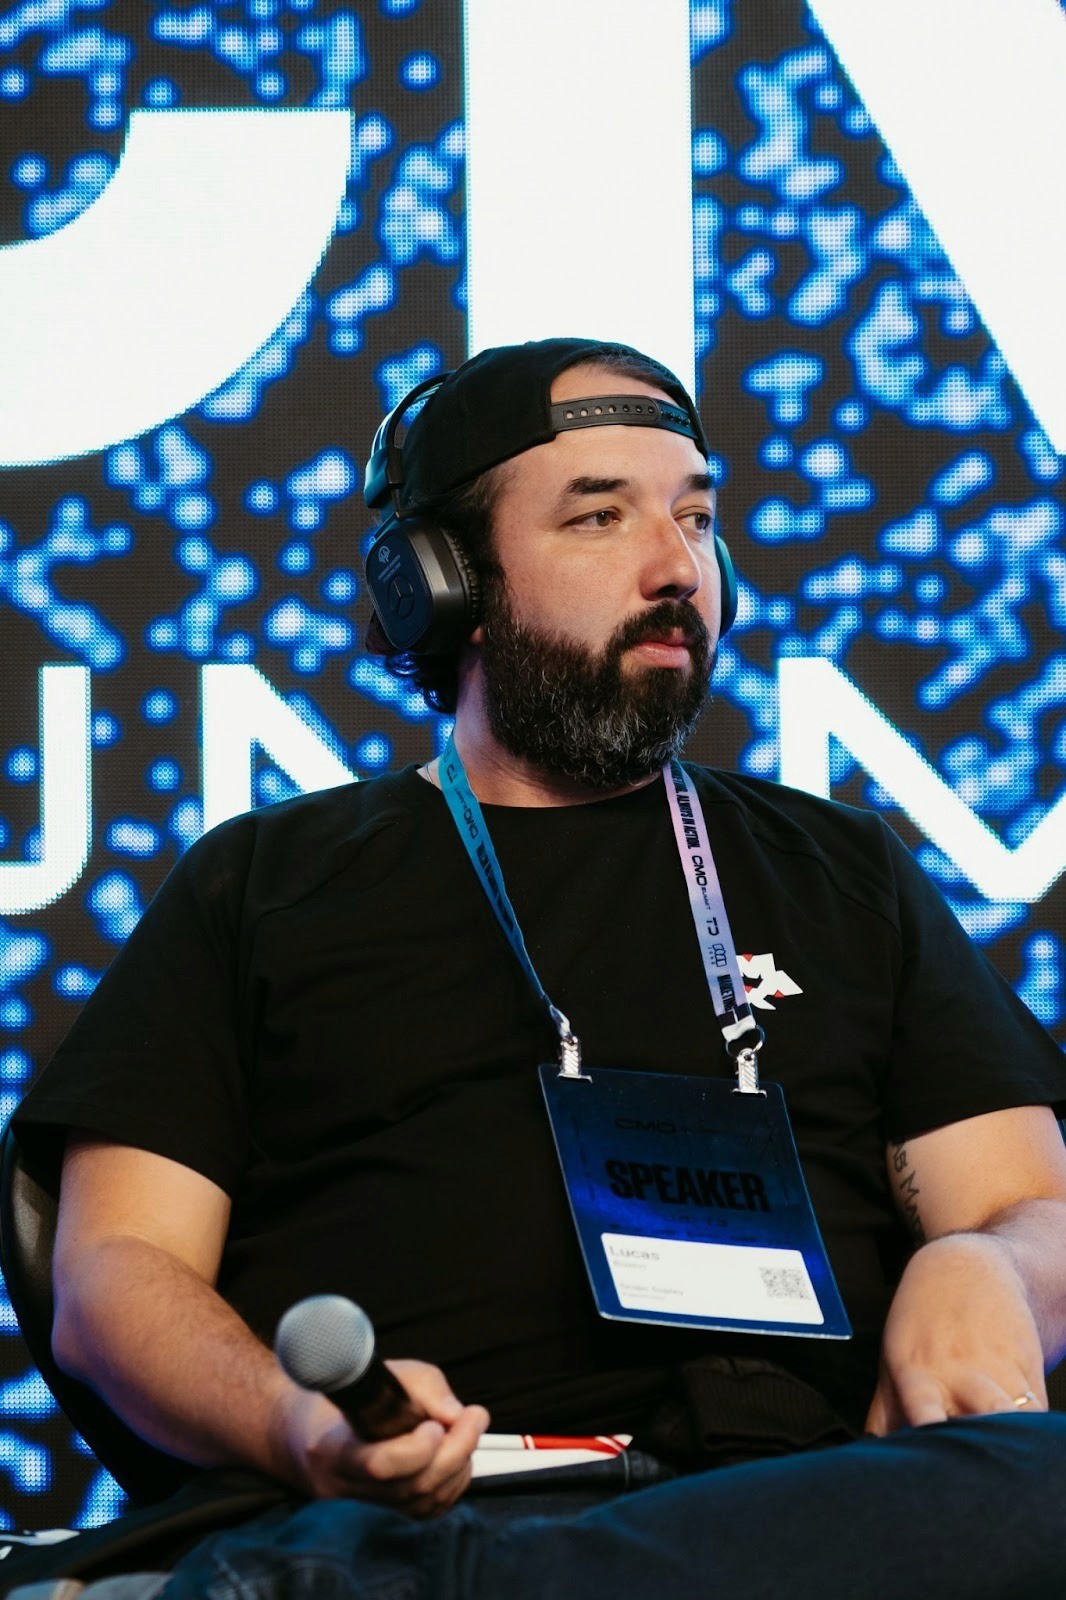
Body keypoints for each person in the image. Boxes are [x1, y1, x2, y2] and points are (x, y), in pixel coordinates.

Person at [13, 337, 1066, 1599]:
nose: (677, 567)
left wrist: (987, 1267)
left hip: (815, 1512)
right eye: (599, 515)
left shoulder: (845, 872)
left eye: (695, 516)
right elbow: (114, 1278)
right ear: (445, 583)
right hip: (431, 1519)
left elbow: (1030, 1203)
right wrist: (298, 1425)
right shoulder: (264, 883)